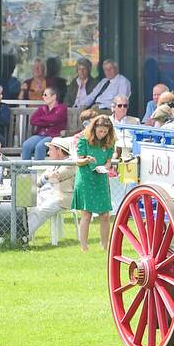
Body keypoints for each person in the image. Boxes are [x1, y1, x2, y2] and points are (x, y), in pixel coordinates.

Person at [74, 115, 116, 253]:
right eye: (100, 131)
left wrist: (106, 166)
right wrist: (87, 159)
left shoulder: (109, 142)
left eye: (105, 132)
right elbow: (78, 161)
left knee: (105, 214)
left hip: (101, 177)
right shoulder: (84, 140)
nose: (102, 134)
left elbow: (109, 161)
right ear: (94, 129)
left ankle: (105, 246)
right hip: (86, 178)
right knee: (86, 214)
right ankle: (84, 247)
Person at [26, 136, 77, 242]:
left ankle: (22, 238)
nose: (48, 153)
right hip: (46, 195)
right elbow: (39, 182)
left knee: (39, 211)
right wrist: (46, 177)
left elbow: (57, 176)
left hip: (62, 198)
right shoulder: (53, 165)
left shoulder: (70, 163)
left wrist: (47, 177)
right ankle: (21, 235)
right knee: (28, 207)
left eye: (51, 150)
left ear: (59, 150)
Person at [22, 87, 68, 160]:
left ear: (54, 97)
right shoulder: (42, 108)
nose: (43, 97)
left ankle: (38, 170)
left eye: (45, 95)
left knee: (40, 146)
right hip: (40, 135)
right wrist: (49, 122)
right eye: (43, 95)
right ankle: (24, 169)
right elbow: (32, 120)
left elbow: (55, 119)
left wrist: (42, 120)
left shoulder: (61, 108)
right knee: (26, 145)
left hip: (54, 135)